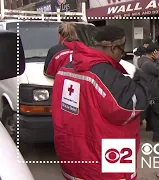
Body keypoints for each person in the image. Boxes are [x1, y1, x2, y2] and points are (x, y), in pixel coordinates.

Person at [51, 25, 150, 180]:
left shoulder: (65, 70)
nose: (120, 56)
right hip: (106, 163)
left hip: (73, 157)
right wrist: (140, 80)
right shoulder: (106, 75)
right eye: (121, 51)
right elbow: (130, 109)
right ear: (114, 48)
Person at [137, 42, 159, 142]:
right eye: (158, 52)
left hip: (149, 91)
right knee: (157, 113)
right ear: (154, 53)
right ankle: (157, 134)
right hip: (153, 92)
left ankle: (150, 128)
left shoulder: (144, 61)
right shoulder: (148, 64)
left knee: (151, 112)